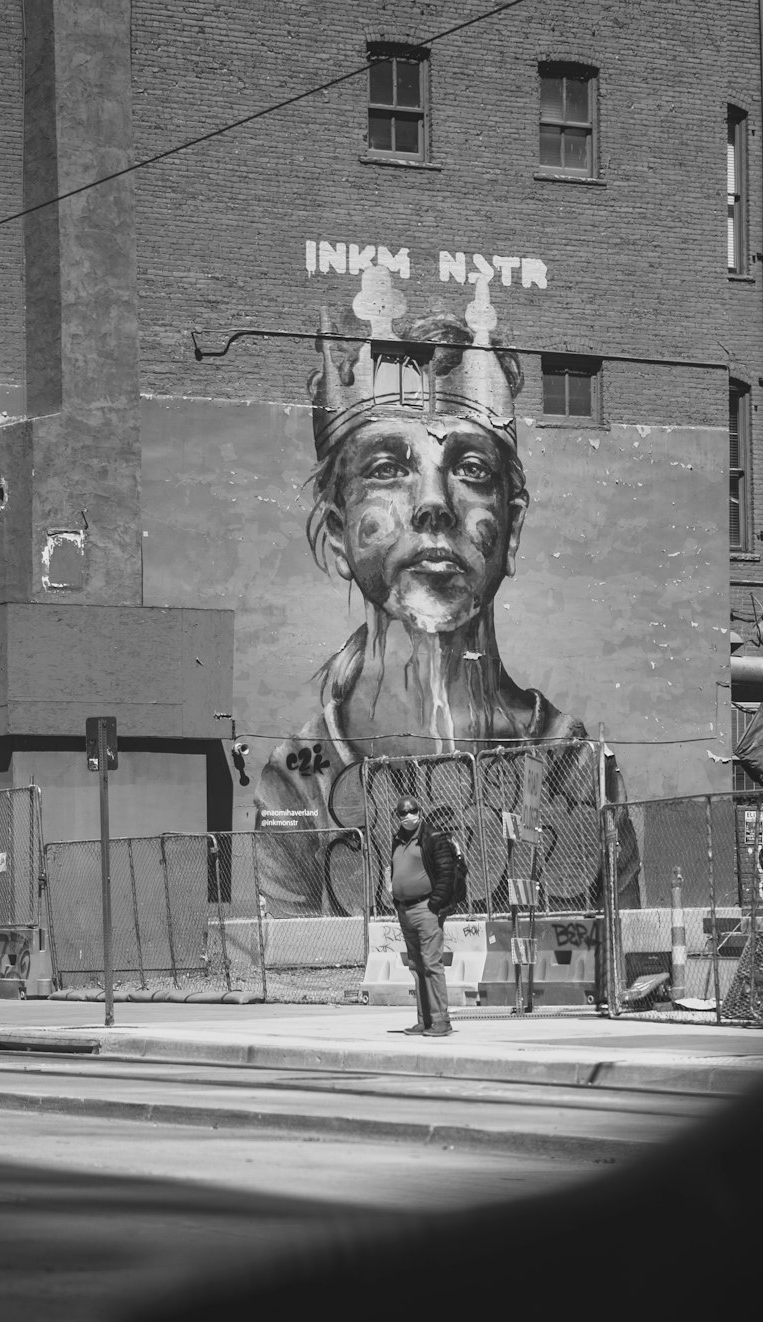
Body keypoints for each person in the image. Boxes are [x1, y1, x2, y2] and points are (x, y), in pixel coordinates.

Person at [254, 266, 640, 915]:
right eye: (387, 468)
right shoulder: (300, 775)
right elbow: (293, 961)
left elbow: (617, 947)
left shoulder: (575, 764)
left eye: (468, 467)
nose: (433, 504)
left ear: (512, 527)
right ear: (338, 533)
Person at [389, 795, 457, 1037]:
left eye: (411, 811)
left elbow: (447, 873)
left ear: (420, 811)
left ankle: (441, 1021)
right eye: (402, 813)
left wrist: (435, 905)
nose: (407, 816)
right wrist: (397, 901)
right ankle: (424, 1020)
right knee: (417, 967)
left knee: (431, 965)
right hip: (405, 910)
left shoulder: (433, 837)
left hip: (426, 909)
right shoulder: (397, 839)